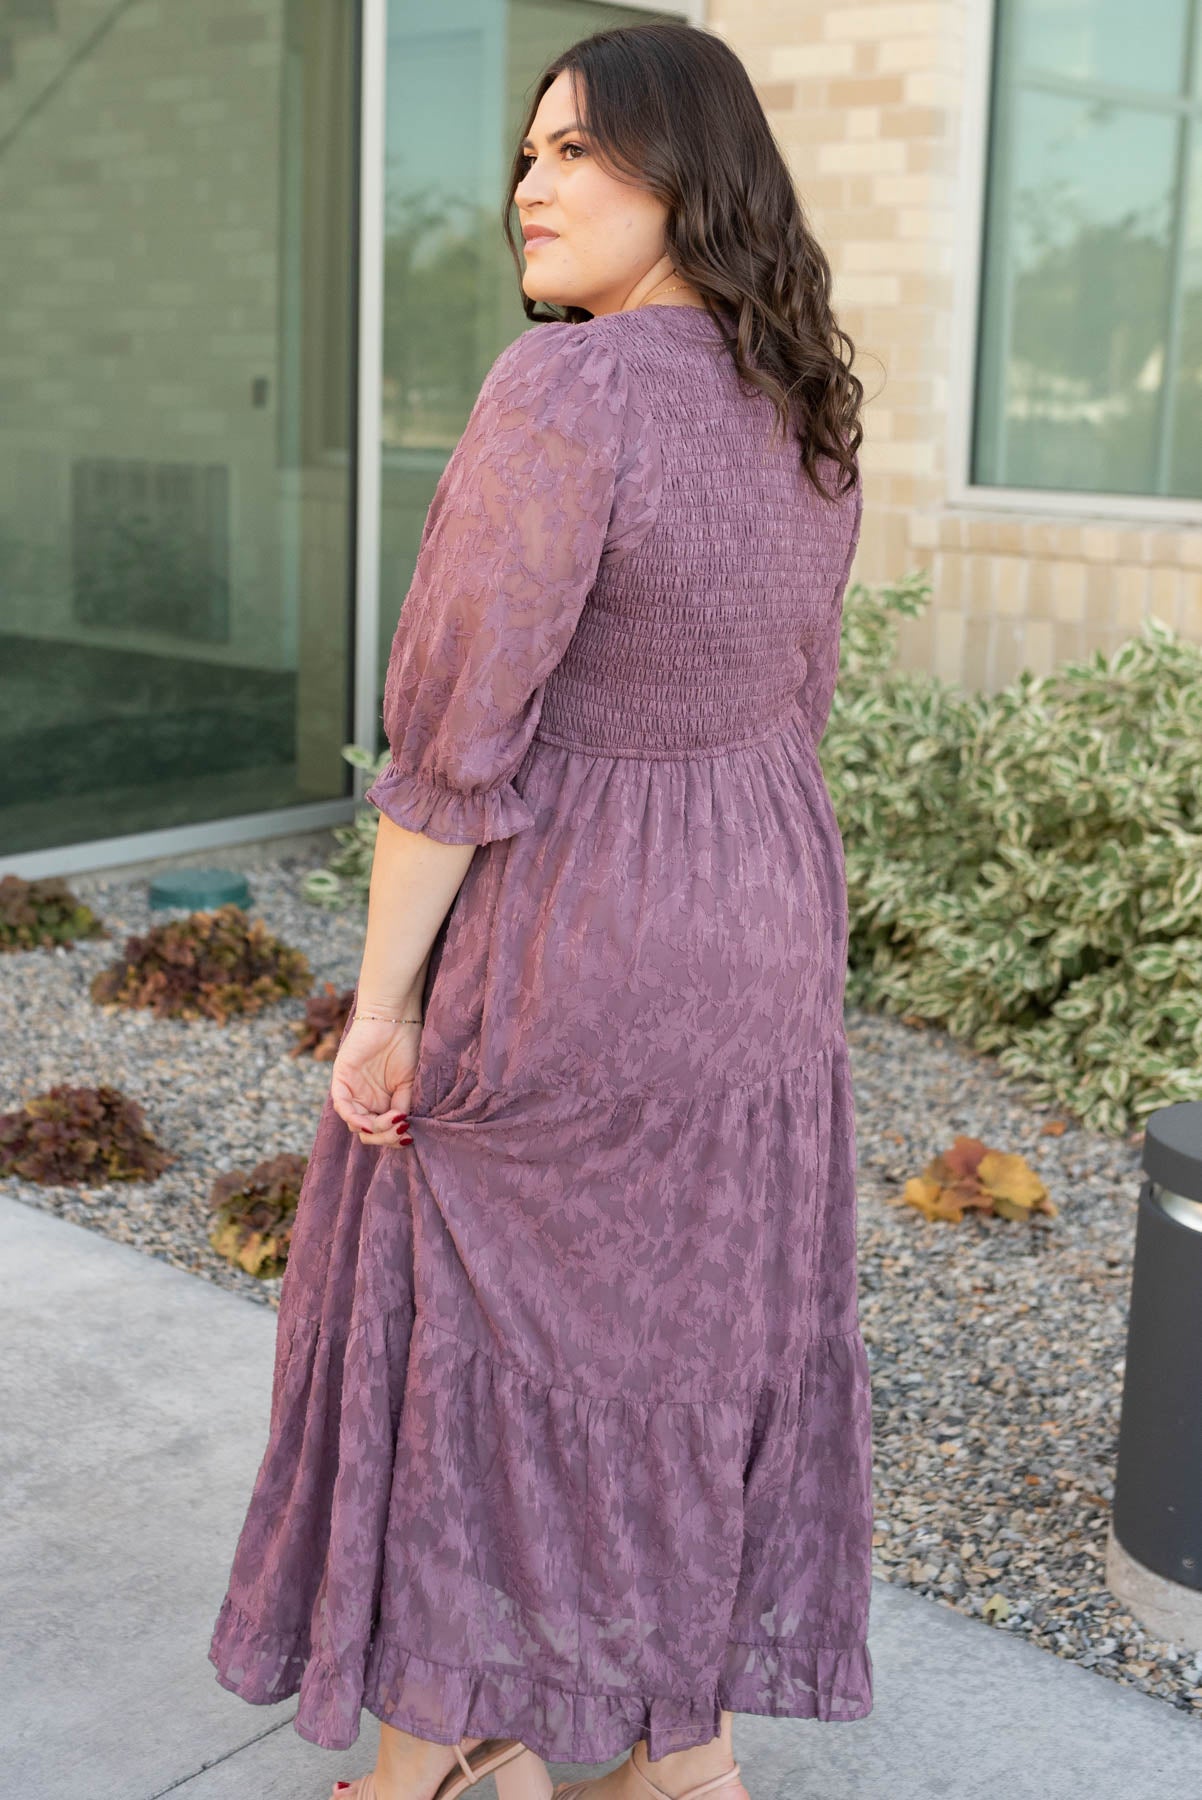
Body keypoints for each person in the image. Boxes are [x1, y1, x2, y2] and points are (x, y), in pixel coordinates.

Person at [208, 20, 872, 1800]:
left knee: (477, 1353)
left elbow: (452, 742)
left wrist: (378, 1011)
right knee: (665, 1355)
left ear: (688, 172)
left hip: (581, 938)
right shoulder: (798, 404)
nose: (528, 186)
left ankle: (438, 1755)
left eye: (579, 150)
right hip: (761, 941)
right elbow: (788, 704)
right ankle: (623, 1744)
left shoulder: (562, 396)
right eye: (524, 153)